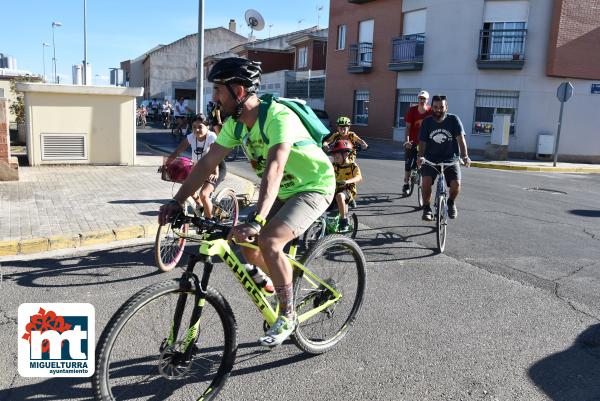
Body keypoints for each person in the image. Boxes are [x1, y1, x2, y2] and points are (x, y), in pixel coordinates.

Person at [158, 57, 335, 347]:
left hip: (313, 185)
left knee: (270, 240)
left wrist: (257, 219)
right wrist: (177, 202)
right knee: (243, 241)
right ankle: (279, 281)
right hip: (284, 190)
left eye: (218, 90)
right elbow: (205, 165)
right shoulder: (236, 125)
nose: (214, 97)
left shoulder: (277, 117)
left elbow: (274, 170)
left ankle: (287, 315)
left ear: (239, 91)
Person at [416, 95, 471, 221]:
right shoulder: (427, 122)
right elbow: (423, 142)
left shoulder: (453, 120)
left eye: (441, 107)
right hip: (430, 159)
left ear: (446, 107)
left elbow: (461, 140)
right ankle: (427, 209)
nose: (438, 110)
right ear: (432, 107)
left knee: (456, 184)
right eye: (435, 107)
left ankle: (450, 203)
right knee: (425, 183)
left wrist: (465, 156)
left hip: (450, 159)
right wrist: (420, 157)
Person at [164, 114, 226, 219]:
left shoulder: (211, 136)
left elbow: (213, 154)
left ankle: (209, 224)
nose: (196, 130)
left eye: (200, 127)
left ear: (208, 127)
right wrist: (166, 165)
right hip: (201, 167)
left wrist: (215, 173)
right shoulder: (192, 137)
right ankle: (201, 205)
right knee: (186, 185)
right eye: (194, 127)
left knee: (204, 194)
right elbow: (177, 151)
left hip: (216, 167)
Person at [402, 90, 432, 196]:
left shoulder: (431, 111)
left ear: (427, 100)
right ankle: (406, 183)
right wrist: (407, 141)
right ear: (418, 99)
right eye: (420, 98)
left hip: (425, 143)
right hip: (413, 141)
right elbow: (408, 127)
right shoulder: (412, 110)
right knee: (409, 163)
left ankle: (424, 181)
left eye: (424, 98)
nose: (422, 100)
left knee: (427, 163)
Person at [330, 140, 363, 231]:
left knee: (340, 196)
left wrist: (347, 181)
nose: (334, 156)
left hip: (348, 190)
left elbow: (359, 177)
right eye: (334, 154)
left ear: (345, 154)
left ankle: (344, 219)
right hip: (335, 189)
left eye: (337, 154)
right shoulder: (334, 165)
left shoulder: (352, 166)